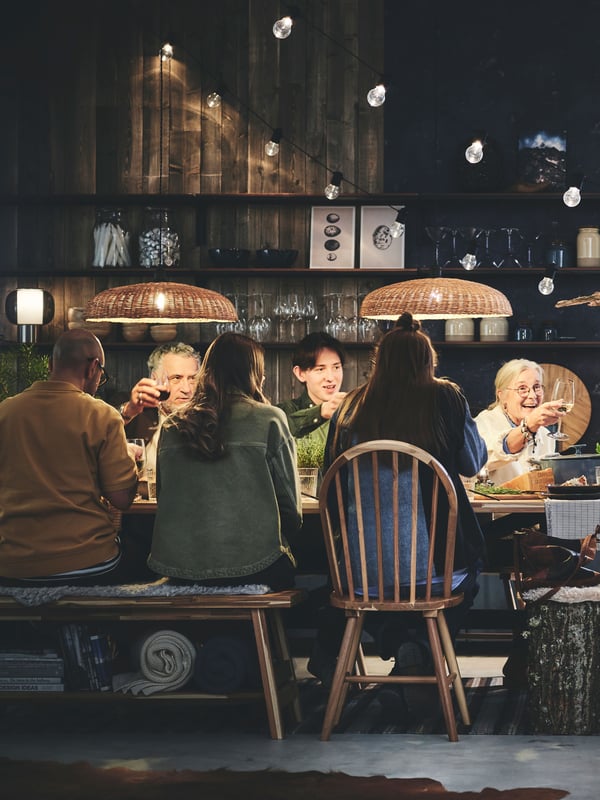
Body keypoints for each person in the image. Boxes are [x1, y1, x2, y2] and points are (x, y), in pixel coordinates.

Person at [310, 313, 487, 711]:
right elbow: (473, 463)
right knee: (474, 562)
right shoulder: (446, 397)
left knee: (384, 585)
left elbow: (328, 480)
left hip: (362, 573)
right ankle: (419, 650)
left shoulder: (351, 405)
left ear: (379, 362)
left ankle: (401, 648)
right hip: (436, 574)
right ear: (429, 361)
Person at [147, 332, 302, 590]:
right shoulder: (270, 420)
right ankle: (267, 632)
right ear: (254, 374)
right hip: (255, 566)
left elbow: (164, 499)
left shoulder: (172, 425)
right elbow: (291, 514)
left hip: (180, 568)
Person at [0, 329, 140, 585]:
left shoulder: (5, 412)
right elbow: (122, 499)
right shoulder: (102, 415)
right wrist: (129, 456)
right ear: (93, 367)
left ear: (52, 365)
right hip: (86, 560)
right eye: (102, 375)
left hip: (11, 562)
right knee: (141, 555)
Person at [119, 342, 201, 476]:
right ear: (154, 379)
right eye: (176, 378)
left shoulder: (209, 420)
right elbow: (100, 433)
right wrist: (128, 410)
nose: (187, 389)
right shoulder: (139, 416)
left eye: (193, 379)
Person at [474, 359, 561, 486]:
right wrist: (528, 426)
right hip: (494, 505)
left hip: (533, 505)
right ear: (502, 395)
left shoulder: (546, 435)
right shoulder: (483, 424)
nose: (532, 395)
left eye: (537, 387)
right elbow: (483, 460)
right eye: (522, 388)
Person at [277, 332, 347, 456]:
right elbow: (277, 433)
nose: (330, 377)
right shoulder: (284, 411)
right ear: (300, 373)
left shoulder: (351, 413)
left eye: (336, 367)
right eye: (320, 369)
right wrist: (320, 412)